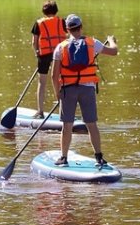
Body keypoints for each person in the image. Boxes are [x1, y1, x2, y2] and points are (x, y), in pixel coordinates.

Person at [50, 14, 119, 169]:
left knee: (67, 125)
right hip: (87, 88)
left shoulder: (60, 48)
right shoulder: (92, 43)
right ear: (81, 27)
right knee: (91, 124)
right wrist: (112, 40)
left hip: (68, 89)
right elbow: (114, 52)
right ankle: (99, 157)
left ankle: (63, 157)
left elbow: (54, 75)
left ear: (67, 29)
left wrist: (57, 93)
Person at [31, 0, 67, 117]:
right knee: (60, 80)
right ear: (56, 11)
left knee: (42, 82)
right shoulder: (62, 22)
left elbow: (34, 42)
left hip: (44, 54)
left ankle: (40, 111)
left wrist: (37, 52)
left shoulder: (39, 23)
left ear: (43, 11)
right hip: (60, 53)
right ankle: (63, 108)